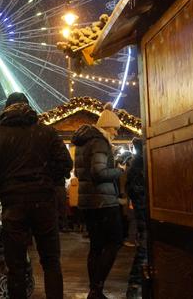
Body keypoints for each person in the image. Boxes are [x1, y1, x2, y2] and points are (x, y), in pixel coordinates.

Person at [0, 92, 73, 299]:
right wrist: (46, 179)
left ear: (6, 109)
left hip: (13, 204)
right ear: (28, 107)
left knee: (15, 265)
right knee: (51, 261)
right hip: (44, 203)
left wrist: (3, 183)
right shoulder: (46, 133)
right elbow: (65, 163)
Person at [72, 102, 125, 299]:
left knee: (96, 246)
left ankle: (95, 289)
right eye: (115, 129)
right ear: (107, 127)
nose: (117, 133)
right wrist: (119, 171)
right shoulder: (100, 142)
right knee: (114, 242)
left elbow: (80, 172)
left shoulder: (82, 143)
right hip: (103, 202)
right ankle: (96, 288)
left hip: (88, 203)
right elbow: (99, 171)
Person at [125, 138, 147, 299]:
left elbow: (130, 189)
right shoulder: (143, 165)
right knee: (145, 248)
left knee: (144, 247)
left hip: (141, 210)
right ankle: (136, 285)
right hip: (145, 211)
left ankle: (135, 284)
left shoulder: (134, 165)